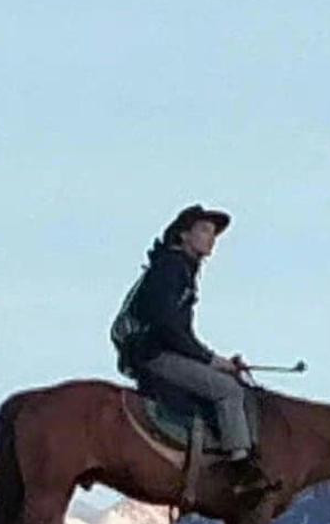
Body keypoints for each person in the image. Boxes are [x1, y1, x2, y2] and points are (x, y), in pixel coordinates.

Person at [114, 204, 274, 496]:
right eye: (203, 230)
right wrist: (212, 361)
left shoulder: (176, 268)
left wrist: (213, 359)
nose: (211, 238)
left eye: (213, 233)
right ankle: (240, 469)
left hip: (154, 352)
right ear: (183, 235)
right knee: (229, 390)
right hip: (155, 355)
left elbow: (177, 331)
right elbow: (168, 328)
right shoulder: (172, 268)